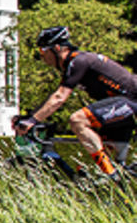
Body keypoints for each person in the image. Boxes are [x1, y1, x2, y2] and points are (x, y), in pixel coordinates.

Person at [13, 25, 137, 176]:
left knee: (78, 120)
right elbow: (54, 96)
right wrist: (31, 116)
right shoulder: (72, 65)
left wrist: (32, 120)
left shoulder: (78, 61)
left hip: (129, 101)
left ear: (57, 48)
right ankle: (114, 182)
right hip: (121, 105)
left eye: (42, 51)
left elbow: (59, 97)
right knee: (105, 164)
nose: (42, 56)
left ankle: (111, 175)